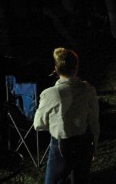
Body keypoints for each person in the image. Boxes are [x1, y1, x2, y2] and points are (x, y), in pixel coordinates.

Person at [34, 47, 100, 184]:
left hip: (62, 144)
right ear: (76, 67)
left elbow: (38, 124)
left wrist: (56, 122)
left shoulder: (50, 94)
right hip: (84, 142)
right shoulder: (88, 89)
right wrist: (94, 145)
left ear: (56, 69)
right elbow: (94, 120)